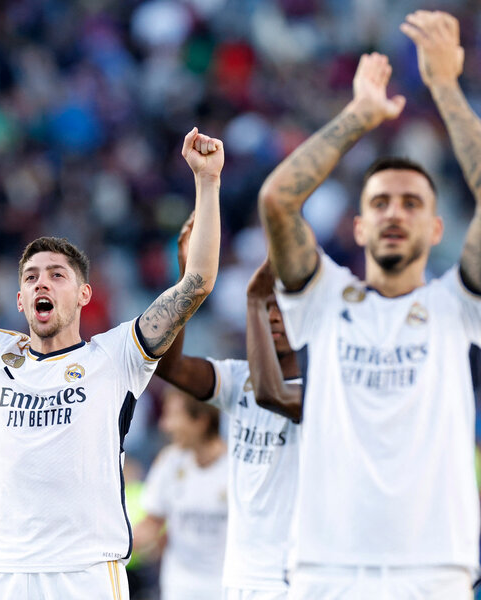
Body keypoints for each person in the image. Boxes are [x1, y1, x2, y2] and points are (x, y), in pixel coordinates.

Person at [0, 127, 223, 599]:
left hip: (84, 571)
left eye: (56, 275)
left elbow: (198, 283)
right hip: (3, 571)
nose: (42, 283)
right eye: (31, 277)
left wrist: (207, 182)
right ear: (21, 299)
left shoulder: (116, 356)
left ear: (84, 294)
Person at [258, 10, 480, 598]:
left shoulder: (459, 306)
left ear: (437, 229)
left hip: (435, 569)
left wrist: (444, 87)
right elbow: (278, 200)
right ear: (357, 227)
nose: (395, 213)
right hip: (325, 570)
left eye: (411, 203)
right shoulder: (323, 298)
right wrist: (361, 114)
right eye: (380, 202)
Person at [155, 214, 302, 599]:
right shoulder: (237, 380)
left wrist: (256, 296)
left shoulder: (322, 392)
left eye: (282, 309)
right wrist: (186, 285)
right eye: (265, 307)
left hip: (292, 580)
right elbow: (170, 367)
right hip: (237, 578)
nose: (272, 316)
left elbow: (271, 393)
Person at [135, 385, 228, 600]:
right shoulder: (169, 461)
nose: (165, 426)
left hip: (224, 589)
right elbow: (151, 524)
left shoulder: (235, 468)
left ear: (201, 421)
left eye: (172, 416)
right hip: (178, 588)